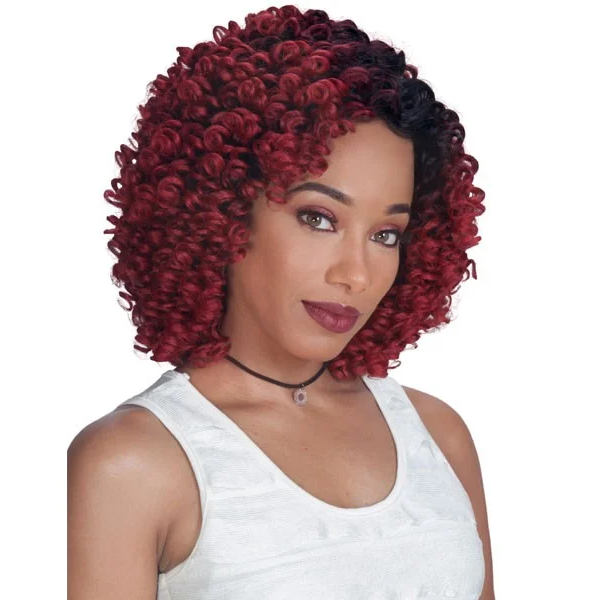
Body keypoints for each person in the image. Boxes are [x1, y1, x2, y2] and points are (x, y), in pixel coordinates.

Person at [68, 5, 495, 599]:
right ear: (221, 210)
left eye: (385, 234)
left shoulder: (437, 435)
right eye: (318, 218)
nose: (356, 275)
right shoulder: (135, 462)